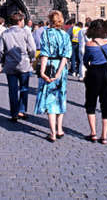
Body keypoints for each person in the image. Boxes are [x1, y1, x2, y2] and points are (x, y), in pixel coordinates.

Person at [34, 10, 72, 142]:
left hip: (49, 65)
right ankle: (60, 129)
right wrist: (59, 73)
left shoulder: (46, 34)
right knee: (60, 97)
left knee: (50, 100)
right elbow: (65, 57)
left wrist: (43, 72)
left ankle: (53, 133)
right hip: (60, 69)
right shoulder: (65, 35)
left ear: (50, 20)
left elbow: (44, 55)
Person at [0, 12, 36, 121]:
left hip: (10, 65)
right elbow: (32, 48)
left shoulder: (5, 33)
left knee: (12, 90)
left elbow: (0, 50)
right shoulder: (26, 32)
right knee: (24, 88)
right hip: (24, 63)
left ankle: (14, 113)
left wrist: (3, 60)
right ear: (19, 21)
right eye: (23, 20)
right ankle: (21, 111)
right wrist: (31, 58)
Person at [83, 19, 107, 145]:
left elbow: (85, 61)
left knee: (91, 103)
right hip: (106, 73)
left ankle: (93, 133)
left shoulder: (89, 45)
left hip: (93, 73)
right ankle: (104, 136)